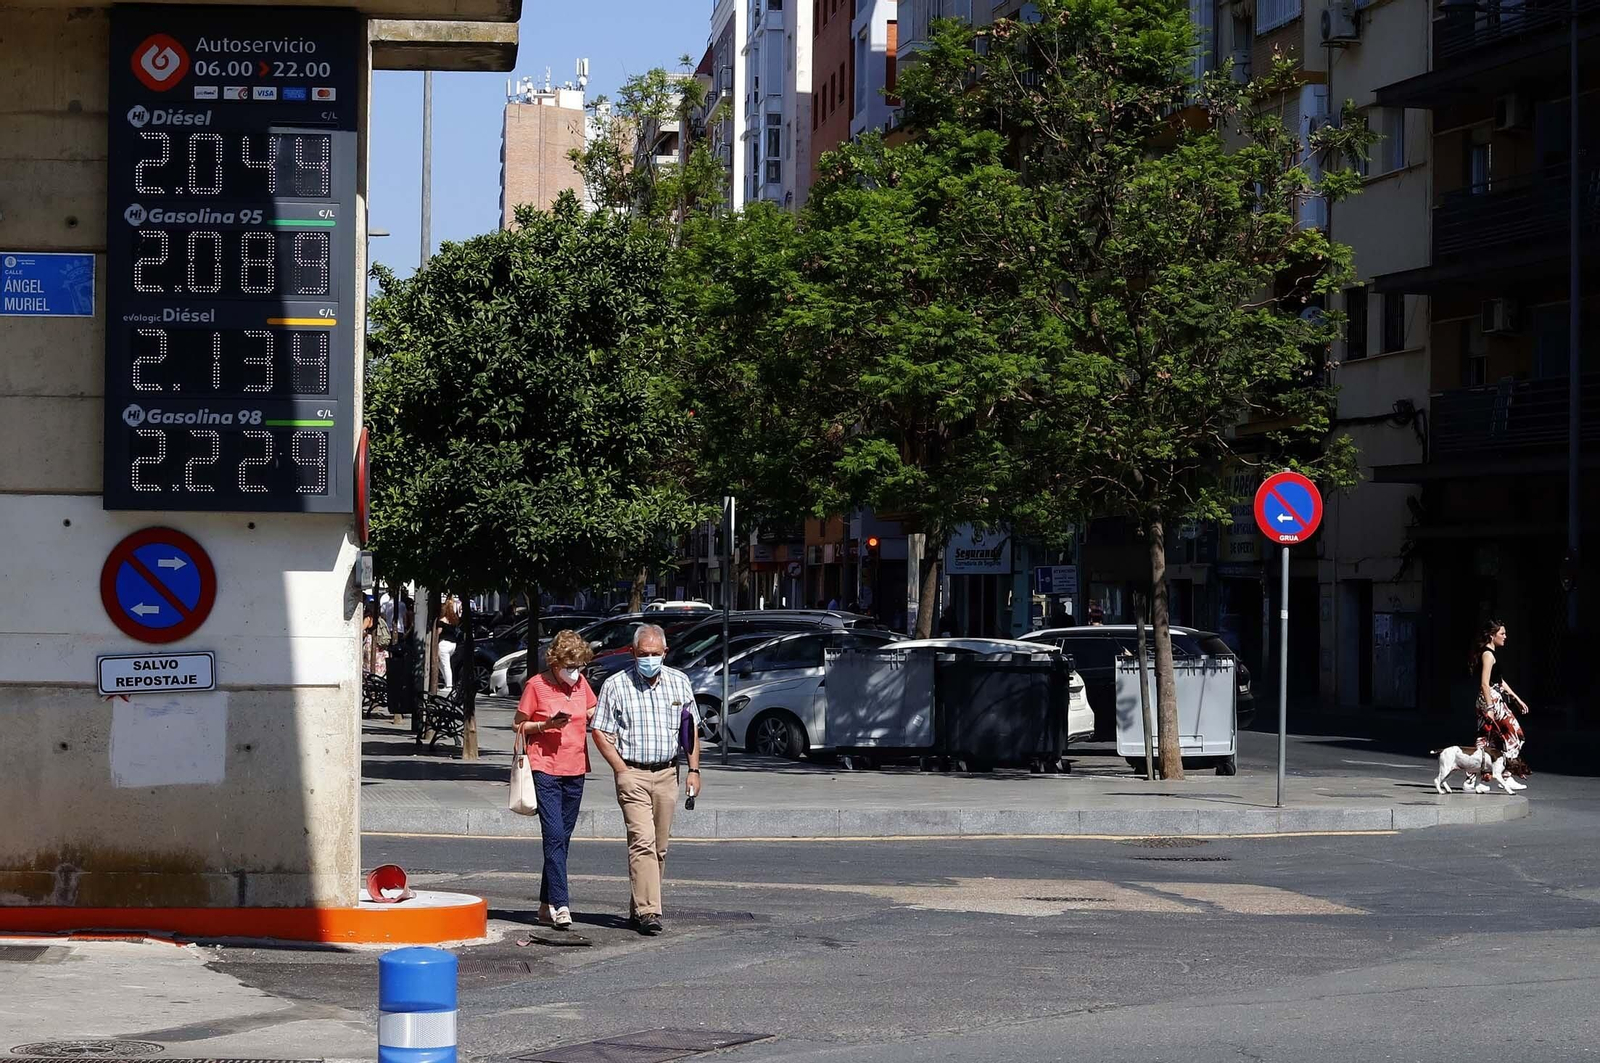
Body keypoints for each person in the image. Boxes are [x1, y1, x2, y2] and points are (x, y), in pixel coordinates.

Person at [591, 623, 701, 936]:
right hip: (633, 773)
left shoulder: (679, 682)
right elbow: (599, 729)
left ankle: (638, 905)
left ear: (665, 653)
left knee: (659, 848)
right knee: (642, 842)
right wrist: (620, 769)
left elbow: (689, 728)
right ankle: (649, 911)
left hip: (668, 772)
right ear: (632, 653)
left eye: (655, 654)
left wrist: (694, 770)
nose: (649, 659)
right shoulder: (616, 685)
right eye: (643, 654)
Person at [514, 629, 598, 930]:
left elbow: (591, 708)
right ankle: (560, 904)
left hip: (576, 768)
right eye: (570, 666)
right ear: (555, 662)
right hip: (545, 767)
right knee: (553, 835)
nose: (575, 672)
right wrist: (547, 724)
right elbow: (519, 725)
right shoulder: (537, 685)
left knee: (562, 839)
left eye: (579, 666)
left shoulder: (580, 685)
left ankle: (543, 905)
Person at [1472, 620, 1529, 767]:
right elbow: (1485, 683)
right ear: (1492, 635)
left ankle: (1471, 778)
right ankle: (1508, 771)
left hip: (1488, 698)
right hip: (1491, 699)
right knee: (1516, 735)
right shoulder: (1488, 655)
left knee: (1485, 739)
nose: (1505, 637)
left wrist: (1517, 699)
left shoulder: (1488, 653)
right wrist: (1490, 708)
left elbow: (1499, 680)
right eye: (1502, 633)